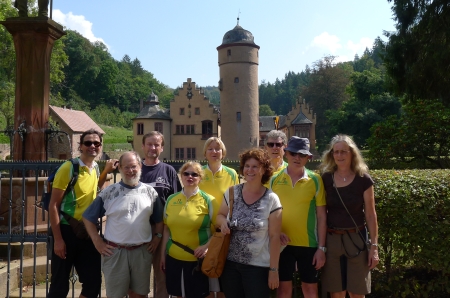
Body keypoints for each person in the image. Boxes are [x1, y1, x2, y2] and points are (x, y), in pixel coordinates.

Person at [47, 129, 118, 298]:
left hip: (86, 233)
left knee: (93, 283)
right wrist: (58, 240)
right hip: (66, 230)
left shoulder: (93, 168)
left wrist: (105, 172)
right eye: (88, 143)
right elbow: (53, 205)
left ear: (101, 146)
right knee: (59, 285)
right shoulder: (69, 168)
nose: (92, 146)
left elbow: (93, 192)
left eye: (96, 143)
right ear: (80, 146)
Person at [83, 151, 164, 298]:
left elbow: (159, 220)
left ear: (140, 166)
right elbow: (88, 217)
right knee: (116, 295)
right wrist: (97, 241)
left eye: (133, 166)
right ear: (119, 168)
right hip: (115, 252)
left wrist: (157, 237)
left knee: (139, 295)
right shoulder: (109, 192)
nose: (130, 171)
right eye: (126, 167)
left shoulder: (150, 192)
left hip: (142, 251)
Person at [318, 134, 379, 298]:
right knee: (336, 291)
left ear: (352, 153)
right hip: (332, 240)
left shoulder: (363, 179)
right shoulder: (325, 179)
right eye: (336, 152)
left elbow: (371, 215)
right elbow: (321, 215)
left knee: (357, 291)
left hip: (356, 239)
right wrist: (321, 247)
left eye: (343, 151)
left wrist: (374, 247)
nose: (339, 155)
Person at [216, 148, 282, 298]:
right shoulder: (232, 192)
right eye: (247, 166)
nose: (250, 170)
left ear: (264, 170)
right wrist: (223, 223)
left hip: (258, 267)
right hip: (230, 264)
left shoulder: (271, 199)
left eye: (255, 166)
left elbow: (274, 237)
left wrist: (273, 270)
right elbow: (220, 215)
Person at [269, 136, 326, 298]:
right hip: (281, 244)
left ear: (308, 157)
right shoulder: (274, 179)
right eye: (293, 153)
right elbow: (267, 213)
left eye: (302, 155)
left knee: (310, 290)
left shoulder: (315, 180)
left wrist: (322, 248)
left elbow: (322, 217)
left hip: (308, 244)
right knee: (283, 290)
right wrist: (275, 233)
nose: (297, 158)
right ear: (286, 153)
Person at [160, 162, 215, 298]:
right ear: (181, 176)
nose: (190, 177)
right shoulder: (171, 199)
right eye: (186, 173)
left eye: (194, 174)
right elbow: (166, 229)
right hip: (174, 257)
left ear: (200, 178)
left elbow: (219, 232)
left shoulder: (209, 200)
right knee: (178, 294)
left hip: (198, 260)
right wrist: (162, 255)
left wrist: (207, 247)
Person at [139, 131, 182, 298]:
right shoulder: (135, 169)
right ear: (143, 146)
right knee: (138, 278)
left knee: (161, 276)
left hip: (162, 230)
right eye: (149, 144)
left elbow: (177, 200)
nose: (152, 147)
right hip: (138, 229)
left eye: (156, 144)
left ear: (162, 148)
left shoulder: (168, 171)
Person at [199, 137, 239, 298]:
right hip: (203, 229)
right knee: (207, 276)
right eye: (210, 149)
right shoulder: (199, 173)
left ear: (223, 153)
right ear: (205, 153)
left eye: (218, 149)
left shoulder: (231, 173)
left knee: (222, 274)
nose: (214, 152)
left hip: (224, 230)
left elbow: (235, 200)